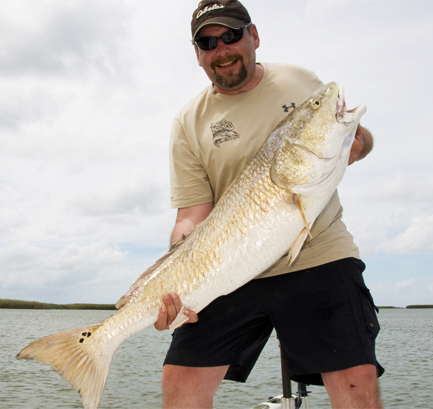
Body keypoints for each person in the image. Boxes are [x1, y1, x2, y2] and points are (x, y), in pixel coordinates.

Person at [154, 1, 384, 408]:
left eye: (231, 35)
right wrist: (175, 281)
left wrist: (358, 141)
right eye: (208, 42)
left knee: (356, 381)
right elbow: (191, 216)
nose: (221, 49)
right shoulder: (188, 121)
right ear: (197, 53)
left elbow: (353, 140)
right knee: (180, 382)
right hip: (229, 269)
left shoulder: (300, 80)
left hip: (319, 253)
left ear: (254, 36)